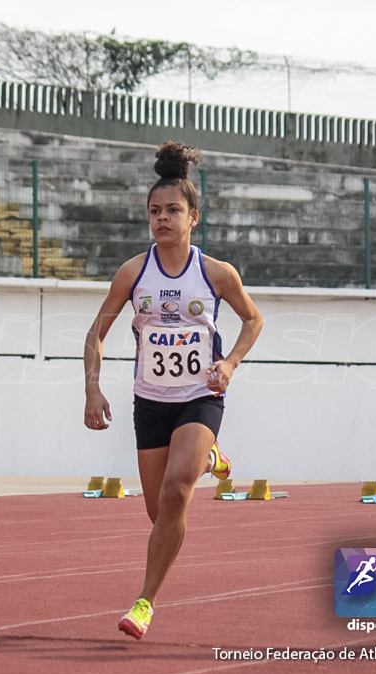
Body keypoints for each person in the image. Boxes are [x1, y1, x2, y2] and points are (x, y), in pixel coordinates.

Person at [83, 141, 263, 640]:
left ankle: (144, 602)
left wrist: (228, 363)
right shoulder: (133, 273)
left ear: (193, 217)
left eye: (173, 211)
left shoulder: (215, 273)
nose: (162, 219)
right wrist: (92, 390)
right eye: (154, 212)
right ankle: (210, 457)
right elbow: (95, 334)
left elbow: (253, 319)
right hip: (151, 402)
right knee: (159, 512)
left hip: (200, 396)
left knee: (177, 489)